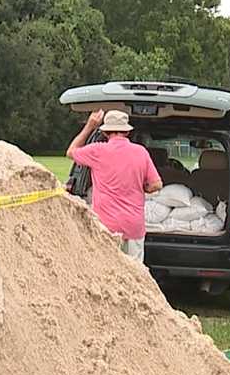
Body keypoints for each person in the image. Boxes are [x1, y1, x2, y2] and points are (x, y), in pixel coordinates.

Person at [66, 109, 162, 262]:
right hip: (133, 226)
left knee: (108, 273)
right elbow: (157, 184)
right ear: (127, 132)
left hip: (106, 226)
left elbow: (71, 152)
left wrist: (89, 126)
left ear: (105, 132)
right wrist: (143, 188)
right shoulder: (141, 152)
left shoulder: (97, 150)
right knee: (136, 275)